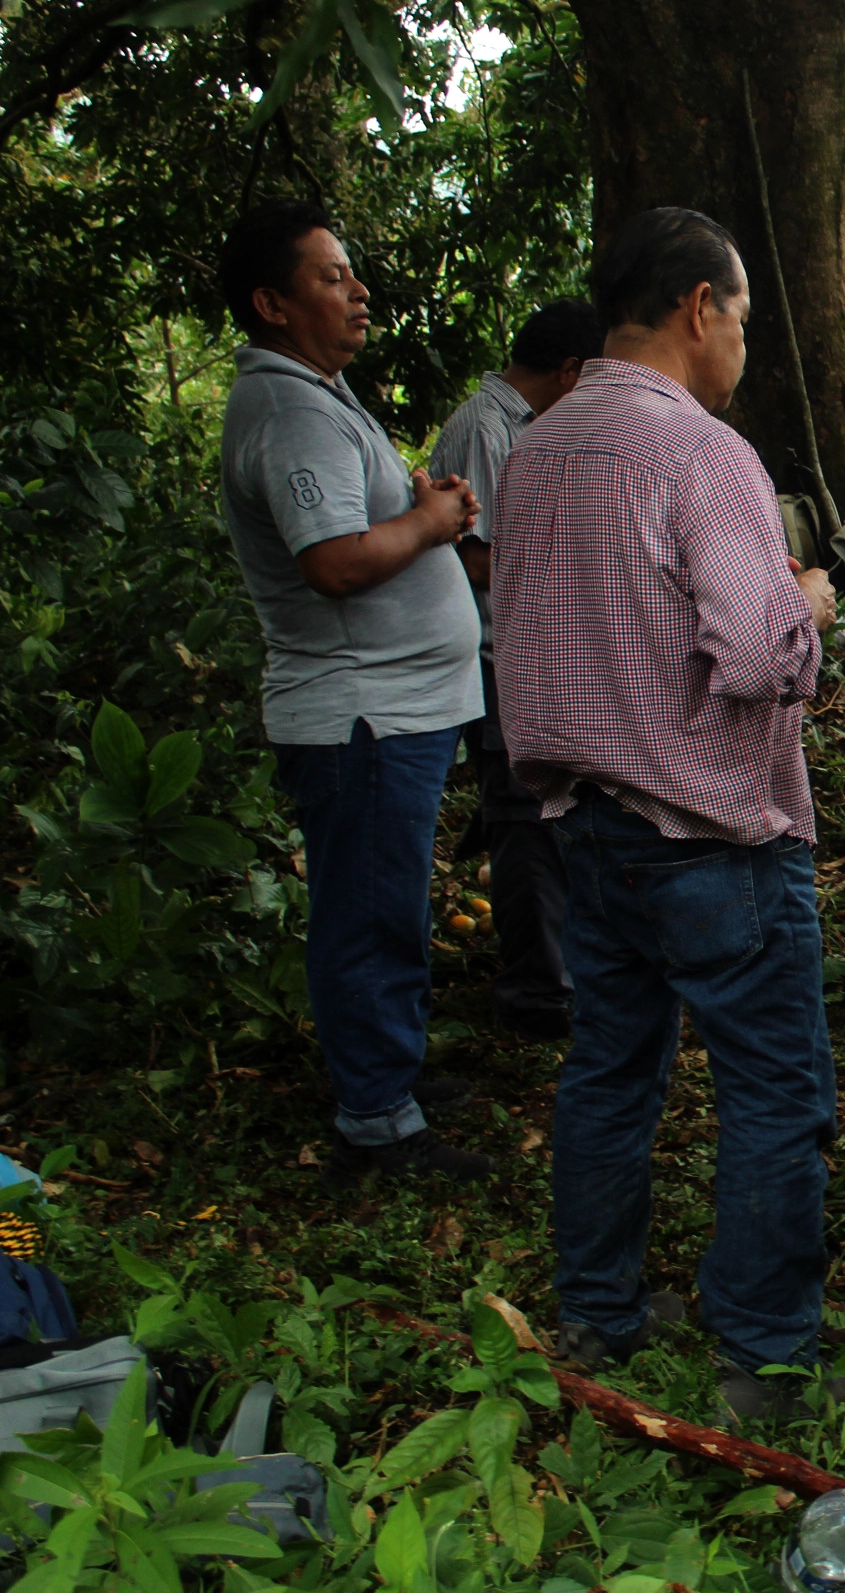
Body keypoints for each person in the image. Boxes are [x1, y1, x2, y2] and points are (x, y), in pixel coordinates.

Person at [489, 207, 845, 1423]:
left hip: (580, 825)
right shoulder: (702, 454)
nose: (743, 343)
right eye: (743, 318)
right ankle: (762, 1361)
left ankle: (595, 1313)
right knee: (772, 1089)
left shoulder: (537, 450)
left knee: (610, 1067)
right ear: (701, 306)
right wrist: (806, 601)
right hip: (712, 834)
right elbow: (757, 653)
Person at [216, 198, 493, 1183]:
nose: (357, 290)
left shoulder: (317, 394)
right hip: (361, 713)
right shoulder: (291, 410)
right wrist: (428, 528)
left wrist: (421, 512)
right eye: (331, 277)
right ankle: (376, 1123)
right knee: (368, 911)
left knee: (388, 899)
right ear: (273, 303)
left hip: (394, 709)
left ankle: (391, 1069)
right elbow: (332, 561)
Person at [427, 300, 606, 1045]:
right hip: (503, 656)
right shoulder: (484, 427)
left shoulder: (533, 429)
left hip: (537, 655)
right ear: (567, 370)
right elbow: (481, 556)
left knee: (554, 815)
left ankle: (563, 976)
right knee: (524, 821)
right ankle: (536, 997)